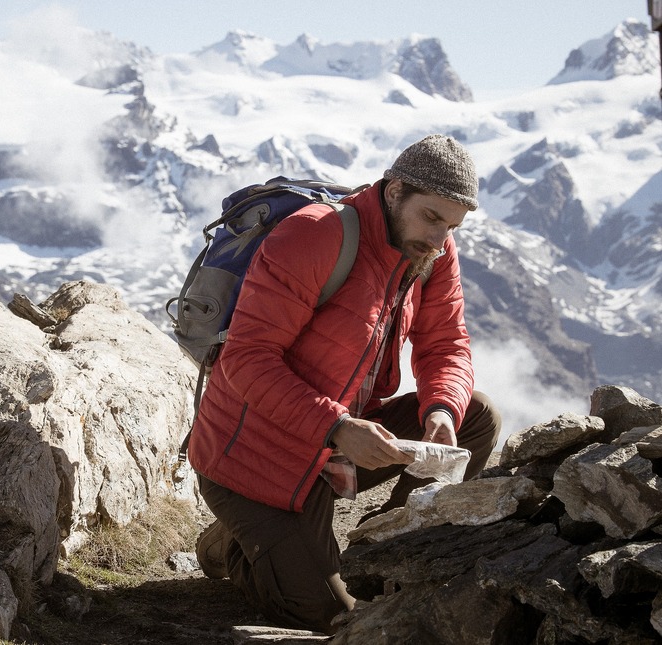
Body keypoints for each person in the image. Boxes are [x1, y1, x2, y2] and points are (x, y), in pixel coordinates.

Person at [187, 134, 502, 635]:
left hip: (334, 445)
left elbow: (446, 343)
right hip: (253, 457)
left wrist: (441, 410)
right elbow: (246, 360)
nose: (440, 238)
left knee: (475, 415)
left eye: (452, 225)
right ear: (395, 191)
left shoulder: (431, 251)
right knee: (332, 618)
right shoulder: (315, 236)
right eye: (432, 218)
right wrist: (335, 427)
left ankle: (390, 555)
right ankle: (235, 543)